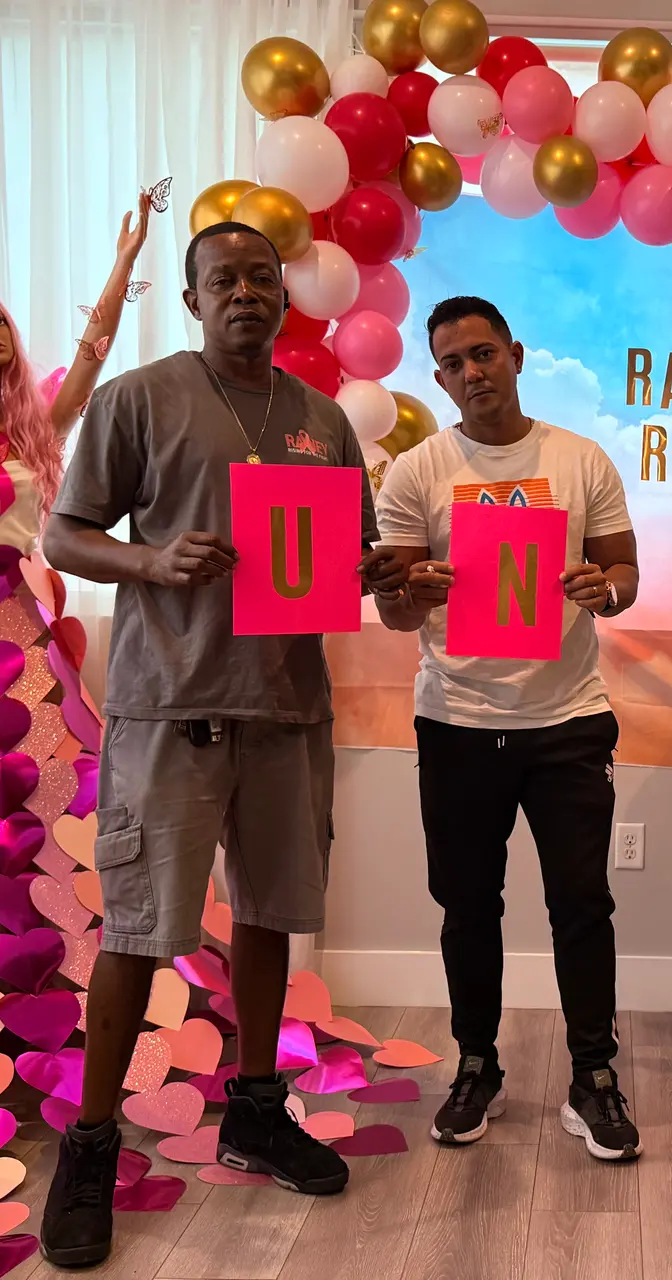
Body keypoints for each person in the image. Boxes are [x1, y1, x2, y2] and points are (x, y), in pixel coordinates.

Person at [37, 222, 406, 1267]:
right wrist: (150, 561)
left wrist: (381, 573)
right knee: (137, 930)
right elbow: (63, 533)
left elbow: (348, 559)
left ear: (282, 295)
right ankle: (92, 1147)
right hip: (171, 710)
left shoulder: (323, 421)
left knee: (269, 916)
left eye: (260, 277)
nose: (244, 292)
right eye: (222, 280)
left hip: (287, 711)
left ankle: (253, 1109)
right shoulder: (139, 398)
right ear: (194, 299)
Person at [374, 295, 642, 1161]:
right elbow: (393, 611)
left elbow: (624, 570)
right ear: (439, 376)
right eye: (452, 364)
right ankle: (476, 1064)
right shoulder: (416, 472)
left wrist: (607, 590)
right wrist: (413, 592)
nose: (471, 373)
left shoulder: (579, 458)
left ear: (516, 354)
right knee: (466, 907)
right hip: (457, 721)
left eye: (484, 354)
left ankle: (593, 1074)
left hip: (568, 720)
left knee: (582, 904)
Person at [0, 192, 151, 553]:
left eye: (0, 321)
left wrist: (124, 262)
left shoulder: (34, 431)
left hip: (23, 587)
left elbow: (92, 353)